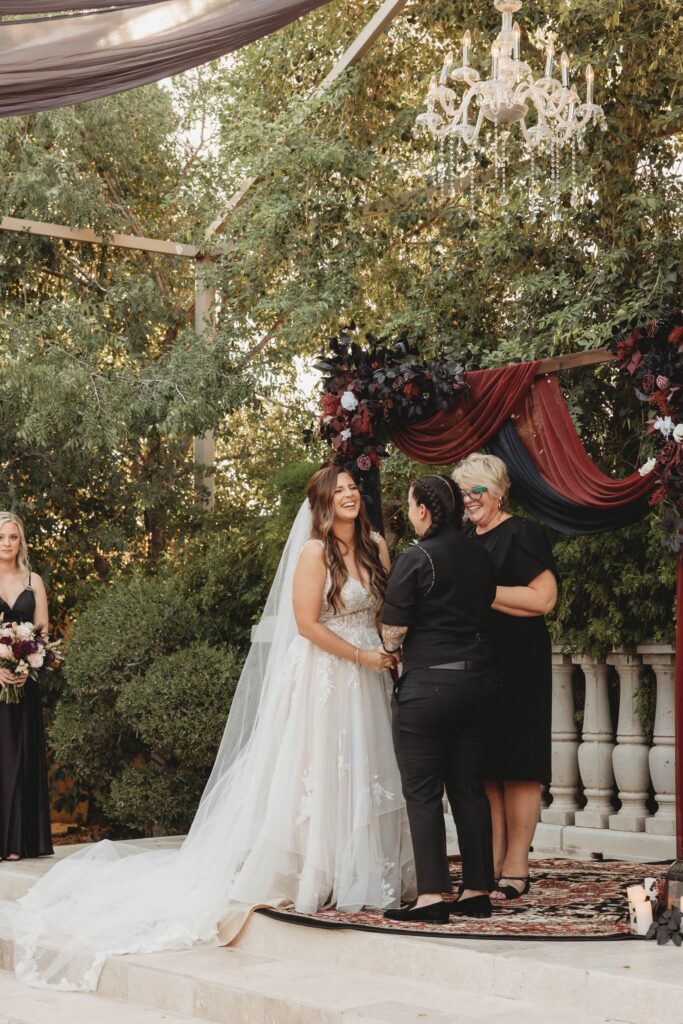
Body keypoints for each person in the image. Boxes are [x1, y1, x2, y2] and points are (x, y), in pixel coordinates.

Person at [0, 464, 414, 991]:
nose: (349, 496)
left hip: (371, 675)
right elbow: (308, 625)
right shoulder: (313, 554)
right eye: (339, 491)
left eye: (354, 488)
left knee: (367, 768)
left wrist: (389, 652)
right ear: (322, 503)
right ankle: (319, 872)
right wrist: (360, 655)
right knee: (317, 771)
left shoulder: (377, 546)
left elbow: (386, 612)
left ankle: (362, 867)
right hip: (327, 674)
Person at [380, 475, 499, 924]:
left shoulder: (416, 557)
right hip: (480, 684)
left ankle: (431, 896)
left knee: (423, 791)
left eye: (412, 506)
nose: (410, 513)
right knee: (468, 788)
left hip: (430, 687)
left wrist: (391, 652)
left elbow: (393, 632)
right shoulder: (480, 554)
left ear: (424, 510)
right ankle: (477, 890)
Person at [452, 453, 558, 901]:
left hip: (520, 665)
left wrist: (484, 592)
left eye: (476, 490)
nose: (469, 499)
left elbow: (543, 599)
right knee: (486, 769)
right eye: (462, 492)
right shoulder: (462, 541)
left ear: (497, 491)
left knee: (519, 768)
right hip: (477, 665)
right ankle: (491, 864)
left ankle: (518, 865)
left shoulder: (522, 532)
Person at [0, 512, 53, 863]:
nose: (6, 543)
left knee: (23, 756)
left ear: (21, 541)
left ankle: (21, 840)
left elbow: (43, 631)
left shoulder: (34, 581)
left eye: (13, 537)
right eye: (1, 537)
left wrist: (28, 661)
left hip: (24, 681)